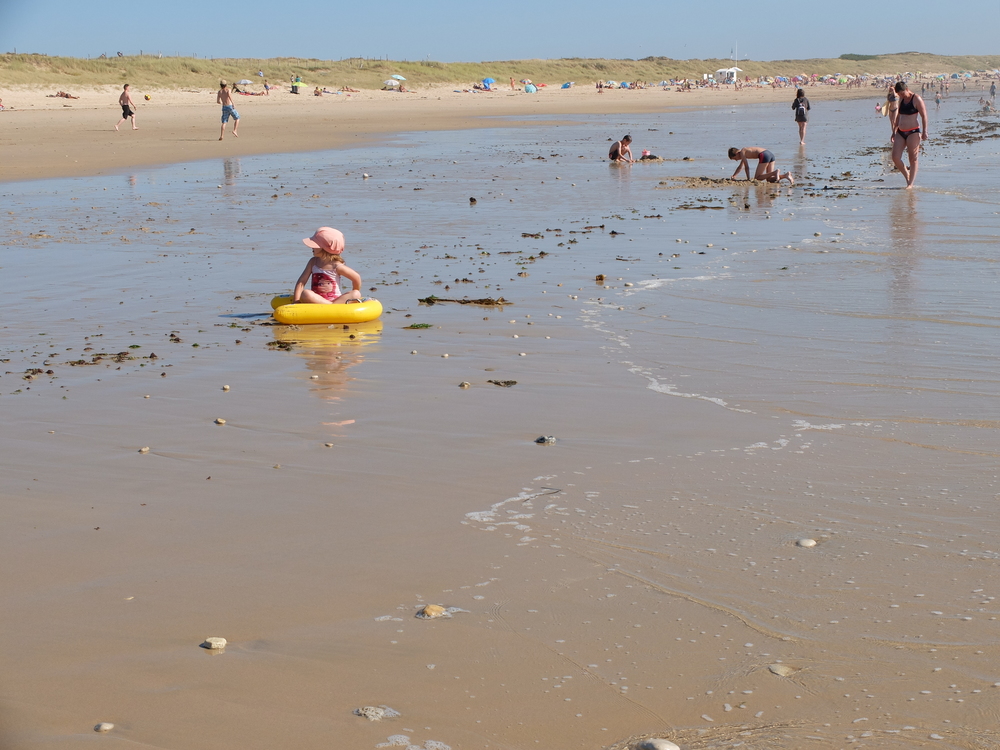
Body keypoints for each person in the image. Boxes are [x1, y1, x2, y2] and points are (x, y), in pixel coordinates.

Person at [293, 227, 363, 305]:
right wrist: (296, 301)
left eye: (315, 245)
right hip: (317, 300)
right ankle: (330, 306)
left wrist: (353, 294)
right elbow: (301, 282)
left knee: (356, 293)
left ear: (325, 249)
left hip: (336, 300)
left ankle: (332, 306)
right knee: (306, 293)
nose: (312, 247)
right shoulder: (313, 262)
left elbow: (356, 278)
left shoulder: (337, 266)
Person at [889, 81, 928, 189]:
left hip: (913, 132)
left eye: (902, 93)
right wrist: (894, 131)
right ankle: (907, 176)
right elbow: (898, 117)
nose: (901, 96)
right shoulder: (901, 99)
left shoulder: (916, 99)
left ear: (906, 89)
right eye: (899, 94)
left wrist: (924, 131)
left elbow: (924, 116)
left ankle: (910, 184)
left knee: (913, 158)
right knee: (895, 157)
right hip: (900, 132)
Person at [728, 147, 793, 184]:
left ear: (736, 153)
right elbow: (740, 167)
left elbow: (746, 167)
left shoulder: (742, 152)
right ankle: (786, 175)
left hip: (763, 155)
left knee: (757, 178)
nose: (736, 160)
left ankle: (775, 172)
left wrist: (748, 179)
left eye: (735, 158)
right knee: (769, 179)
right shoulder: (744, 152)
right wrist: (734, 175)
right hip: (770, 154)